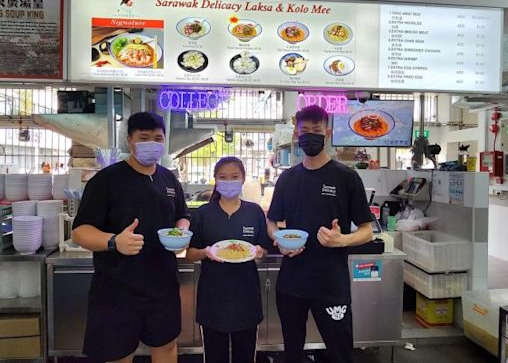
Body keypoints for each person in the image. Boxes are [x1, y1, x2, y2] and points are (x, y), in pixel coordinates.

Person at [72, 112, 190, 363]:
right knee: (118, 355)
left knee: (167, 347)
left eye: (157, 138)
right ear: (130, 140)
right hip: (117, 289)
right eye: (144, 138)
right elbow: (80, 230)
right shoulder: (107, 179)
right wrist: (114, 241)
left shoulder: (169, 179)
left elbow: (182, 214)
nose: (152, 144)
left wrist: (181, 230)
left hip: (162, 286)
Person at [267, 105, 373, 363]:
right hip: (291, 284)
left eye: (316, 130)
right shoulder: (287, 179)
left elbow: (367, 231)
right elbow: (271, 221)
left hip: (330, 284)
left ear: (326, 132)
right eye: (304, 131)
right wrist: (278, 240)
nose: (310, 136)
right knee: (292, 351)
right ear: (296, 134)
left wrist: (342, 240)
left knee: (340, 352)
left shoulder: (346, 177)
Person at [186, 157, 269, 363]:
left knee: (245, 356)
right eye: (223, 177)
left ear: (243, 179)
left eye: (234, 176)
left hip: (246, 297)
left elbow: (264, 249)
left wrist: (259, 252)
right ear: (215, 180)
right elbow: (190, 253)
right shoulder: (203, 213)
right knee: (214, 356)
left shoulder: (254, 212)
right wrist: (205, 252)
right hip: (213, 298)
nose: (229, 181)